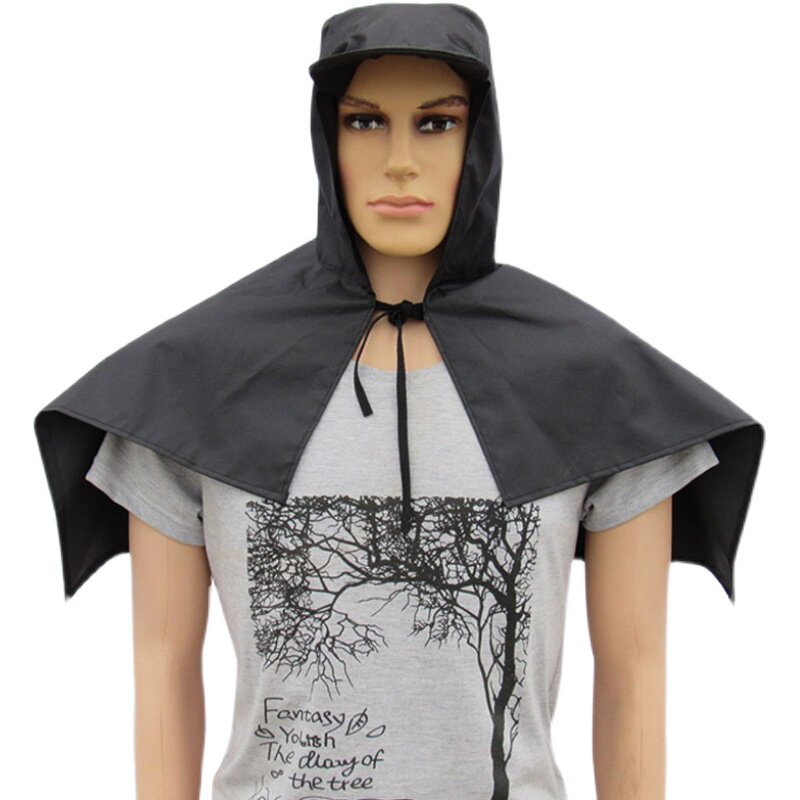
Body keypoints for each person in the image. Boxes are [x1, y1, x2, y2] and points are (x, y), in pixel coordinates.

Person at [34, 4, 764, 799]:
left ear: (480, 141)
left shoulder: (596, 383)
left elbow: (635, 674)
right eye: (365, 121)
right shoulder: (194, 381)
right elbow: (162, 666)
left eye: (438, 124)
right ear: (327, 137)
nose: (401, 162)